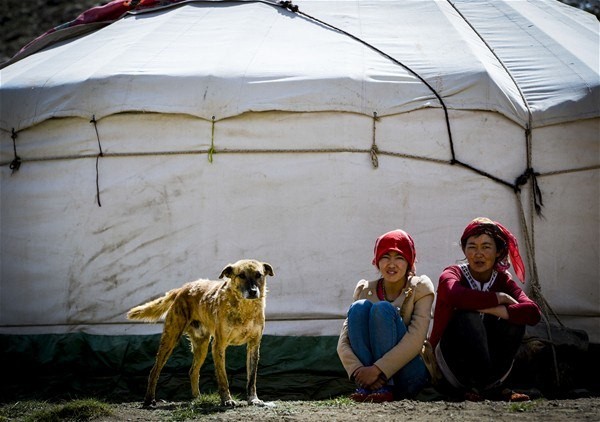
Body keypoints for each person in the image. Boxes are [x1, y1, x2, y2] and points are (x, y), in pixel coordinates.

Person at [428, 217, 541, 402]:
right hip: (454, 366)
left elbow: (533, 312)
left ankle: (488, 386)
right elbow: (454, 295)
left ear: (498, 252)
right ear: (464, 250)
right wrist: (499, 298)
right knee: (467, 316)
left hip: (492, 373)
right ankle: (487, 387)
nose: (478, 253)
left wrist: (494, 309)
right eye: (472, 246)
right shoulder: (453, 274)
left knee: (514, 323)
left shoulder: (503, 280)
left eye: (486, 247)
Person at [337, 229, 434, 402]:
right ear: (377, 261)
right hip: (369, 378)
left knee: (382, 309)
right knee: (359, 307)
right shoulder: (364, 289)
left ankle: (383, 384)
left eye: (399, 257)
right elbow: (344, 341)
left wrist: (377, 370)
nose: (392, 264)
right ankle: (375, 387)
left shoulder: (420, 287)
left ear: (409, 262)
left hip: (409, 373)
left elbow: (416, 340)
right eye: (385, 257)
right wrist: (359, 370)